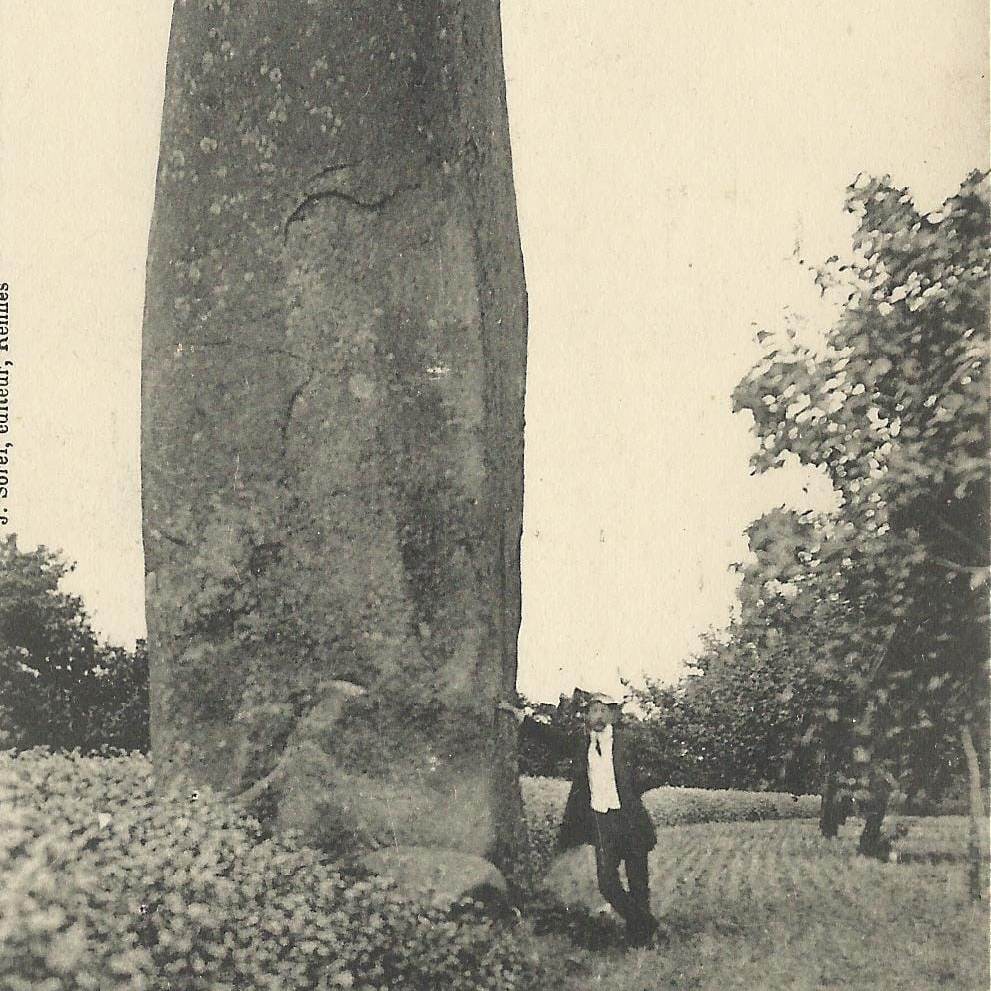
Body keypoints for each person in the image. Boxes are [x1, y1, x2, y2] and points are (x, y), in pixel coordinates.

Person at [499, 690, 661, 948]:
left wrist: (634, 790)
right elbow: (553, 739)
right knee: (607, 884)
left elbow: (655, 766)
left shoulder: (627, 741)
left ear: (613, 714)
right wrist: (523, 719)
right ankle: (647, 924)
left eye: (604, 710)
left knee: (638, 882)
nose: (598, 716)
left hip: (630, 819)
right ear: (586, 715)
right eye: (593, 710)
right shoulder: (581, 741)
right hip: (601, 820)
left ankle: (640, 940)